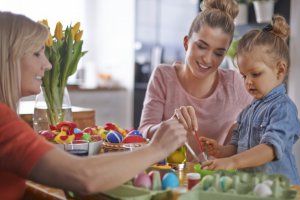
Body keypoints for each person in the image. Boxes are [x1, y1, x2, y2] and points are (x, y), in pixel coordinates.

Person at [0, 11, 188, 199]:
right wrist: (156, 149)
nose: (48, 64)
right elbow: (84, 177)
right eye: (36, 53)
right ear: (8, 57)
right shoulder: (4, 123)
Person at [138, 0, 252, 159]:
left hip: (211, 178)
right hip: (167, 175)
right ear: (186, 43)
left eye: (218, 53)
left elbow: (267, 122)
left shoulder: (235, 84)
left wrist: (235, 137)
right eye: (202, 46)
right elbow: (143, 133)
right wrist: (169, 125)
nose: (207, 59)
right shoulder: (164, 76)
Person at [200, 15, 300, 185]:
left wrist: (232, 162)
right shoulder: (247, 112)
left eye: (255, 74)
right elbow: (236, 147)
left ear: (280, 70)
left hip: (280, 191)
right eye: (243, 75)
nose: (248, 82)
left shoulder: (283, 109)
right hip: (252, 188)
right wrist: (221, 151)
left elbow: (269, 149)